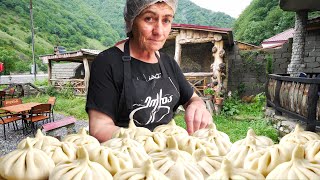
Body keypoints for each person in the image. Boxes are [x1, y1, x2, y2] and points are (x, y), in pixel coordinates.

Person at [86, 0, 212, 142]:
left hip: (167, 154)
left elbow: (191, 98)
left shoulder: (168, 63)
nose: (159, 31)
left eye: (166, 20)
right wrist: (147, 141)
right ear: (131, 21)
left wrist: (198, 105)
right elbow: (99, 128)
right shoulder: (107, 63)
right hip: (124, 157)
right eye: (149, 19)